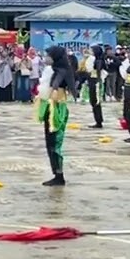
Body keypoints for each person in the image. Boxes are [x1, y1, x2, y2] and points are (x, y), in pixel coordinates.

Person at [37, 45, 73, 186]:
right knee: (50, 142)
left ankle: (59, 176)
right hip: (51, 106)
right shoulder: (53, 70)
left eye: (49, 55)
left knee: (55, 143)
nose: (46, 58)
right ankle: (56, 173)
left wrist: (51, 90)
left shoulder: (61, 71)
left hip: (57, 109)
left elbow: (56, 85)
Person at [86, 44, 105, 128]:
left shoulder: (98, 61)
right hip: (92, 80)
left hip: (95, 82)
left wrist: (98, 81)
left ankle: (99, 121)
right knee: (93, 101)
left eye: (91, 50)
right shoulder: (94, 59)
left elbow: (97, 71)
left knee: (95, 101)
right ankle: (97, 120)